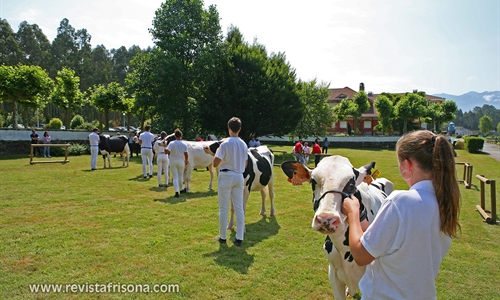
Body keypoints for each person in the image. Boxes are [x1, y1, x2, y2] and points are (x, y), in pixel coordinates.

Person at [342, 130, 461, 299]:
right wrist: (366, 226)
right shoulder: (445, 204)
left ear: (407, 165)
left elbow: (361, 256)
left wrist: (353, 213)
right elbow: (404, 245)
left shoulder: (401, 201)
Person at [211, 117, 248, 246]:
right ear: (240, 129)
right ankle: (239, 238)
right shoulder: (243, 144)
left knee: (223, 208)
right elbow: (246, 162)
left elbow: (215, 163)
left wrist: (216, 154)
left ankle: (223, 237)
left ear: (228, 129)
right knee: (239, 208)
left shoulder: (225, 144)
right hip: (239, 175)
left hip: (226, 175)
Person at [165, 129, 188, 197]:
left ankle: (176, 191)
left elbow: (166, 152)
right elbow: (186, 154)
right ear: (181, 136)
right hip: (180, 160)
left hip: (173, 160)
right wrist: (186, 160)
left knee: (175, 176)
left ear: (175, 136)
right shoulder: (184, 144)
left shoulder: (171, 143)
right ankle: (181, 189)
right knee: (180, 176)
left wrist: (165, 146)